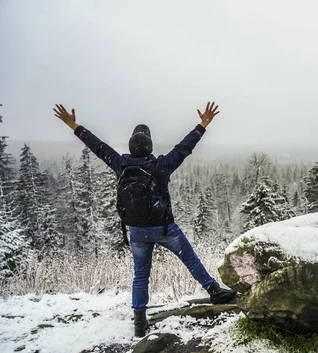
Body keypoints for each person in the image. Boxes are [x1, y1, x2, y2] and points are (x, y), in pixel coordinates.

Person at [53, 102, 237, 337]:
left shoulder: (121, 164)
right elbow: (184, 148)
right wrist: (203, 124)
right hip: (164, 228)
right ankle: (214, 291)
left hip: (136, 231)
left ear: (131, 146)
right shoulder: (160, 165)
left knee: (141, 275)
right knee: (189, 258)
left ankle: (140, 322)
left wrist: (73, 125)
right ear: (149, 146)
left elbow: (98, 147)